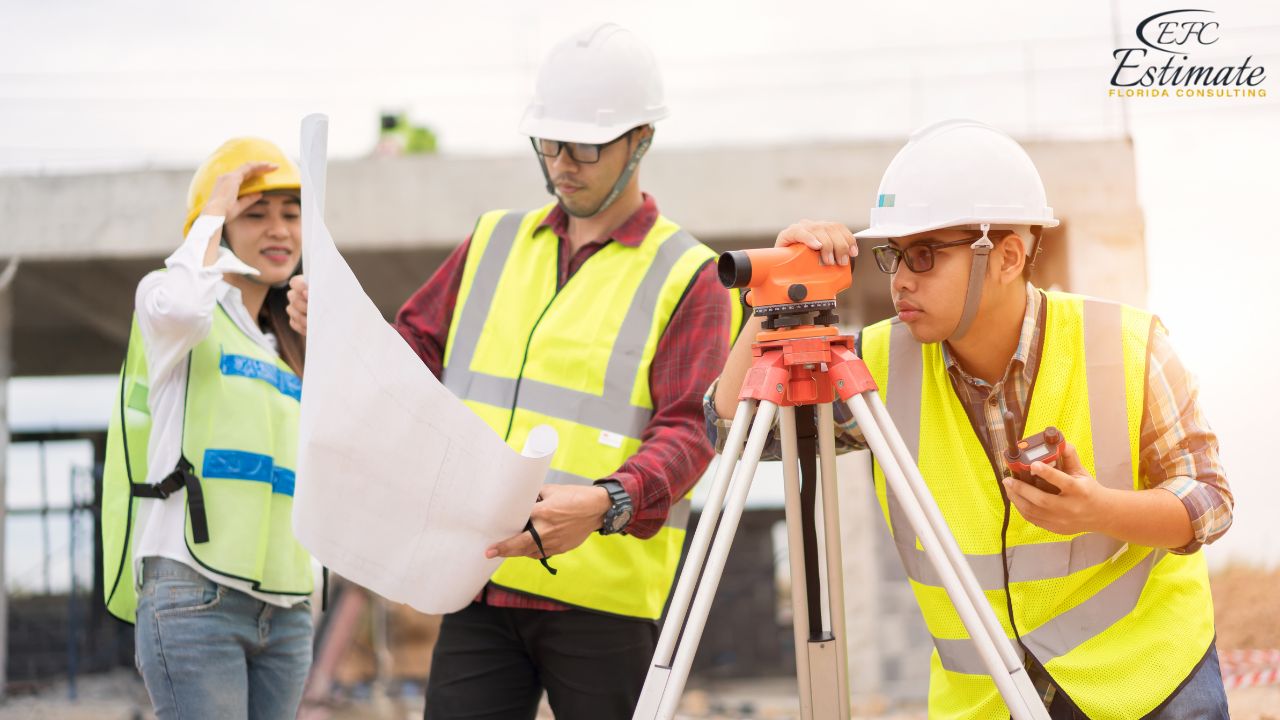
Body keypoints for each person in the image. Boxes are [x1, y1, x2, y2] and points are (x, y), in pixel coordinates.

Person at [286, 22, 739, 719]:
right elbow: (407, 363)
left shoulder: (690, 275)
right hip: (479, 580)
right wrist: (344, 336)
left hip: (604, 599)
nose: (562, 163)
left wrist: (607, 502)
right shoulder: (493, 243)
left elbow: (690, 432)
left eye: (585, 144)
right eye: (548, 142)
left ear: (642, 138)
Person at [707, 119, 1233, 719]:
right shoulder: (877, 364)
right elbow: (736, 431)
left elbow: (1210, 501)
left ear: (1008, 256)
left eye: (925, 257)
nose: (901, 280)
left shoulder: (1126, 342)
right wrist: (777, 292)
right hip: (988, 697)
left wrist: (1100, 511)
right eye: (896, 256)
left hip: (1148, 683)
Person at [101, 138, 316, 720]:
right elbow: (181, 307)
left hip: (288, 607)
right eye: (257, 213)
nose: (280, 231)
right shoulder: (174, 309)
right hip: (196, 593)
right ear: (219, 224)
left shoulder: (292, 343)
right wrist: (211, 213)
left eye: (292, 215)